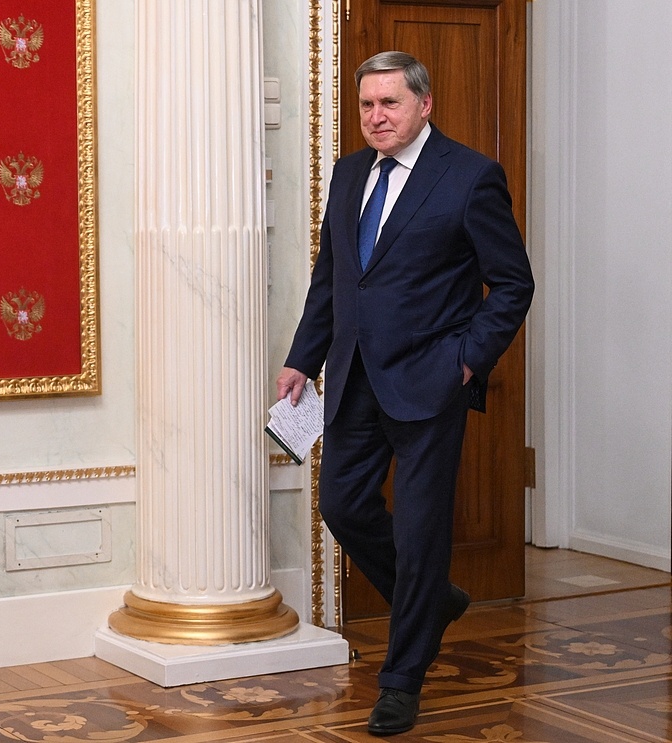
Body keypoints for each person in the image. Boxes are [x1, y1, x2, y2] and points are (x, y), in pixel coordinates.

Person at [276, 51, 534, 736]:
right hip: (353, 377)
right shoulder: (349, 174)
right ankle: (432, 602)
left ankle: (402, 679)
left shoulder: (471, 176)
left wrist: (466, 362)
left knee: (421, 532)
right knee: (342, 503)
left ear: (424, 104)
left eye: (389, 103)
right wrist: (303, 357)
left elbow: (514, 283)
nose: (377, 116)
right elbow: (333, 277)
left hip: (431, 383)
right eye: (367, 105)